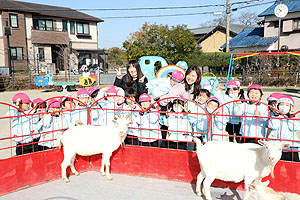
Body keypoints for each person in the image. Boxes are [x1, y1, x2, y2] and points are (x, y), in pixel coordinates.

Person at [268, 95, 300, 162]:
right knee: (277, 164)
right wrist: (276, 115)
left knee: (293, 165)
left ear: (291, 107)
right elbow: (273, 126)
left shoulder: (294, 117)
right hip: (276, 146)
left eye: (287, 105)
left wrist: (291, 116)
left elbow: (294, 127)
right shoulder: (273, 115)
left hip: (291, 146)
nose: (284, 107)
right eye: (281, 104)